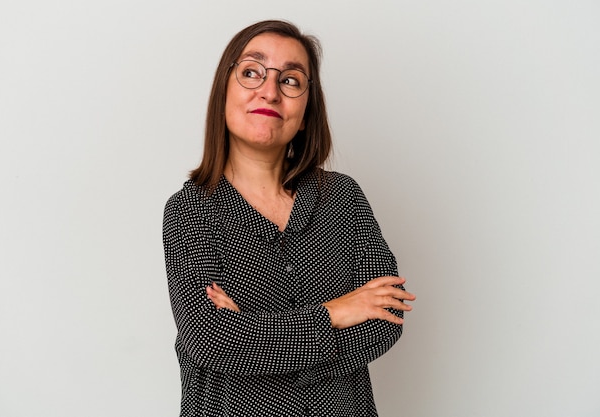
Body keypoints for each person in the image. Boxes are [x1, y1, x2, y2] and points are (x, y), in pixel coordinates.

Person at [163, 19, 416, 417]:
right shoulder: (189, 210)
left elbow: (387, 315)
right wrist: (335, 313)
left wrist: (252, 338)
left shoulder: (343, 198)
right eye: (251, 72)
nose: (270, 90)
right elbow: (209, 340)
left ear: (307, 106)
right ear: (223, 90)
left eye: (291, 80)